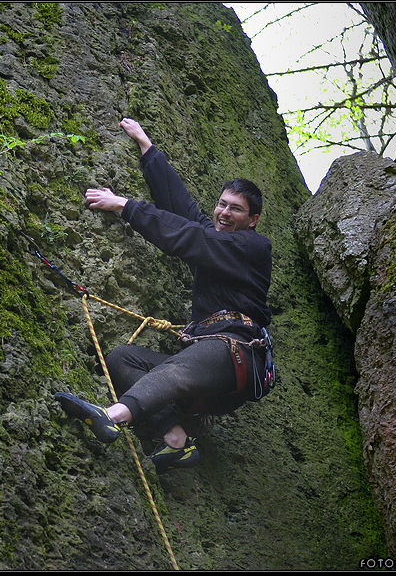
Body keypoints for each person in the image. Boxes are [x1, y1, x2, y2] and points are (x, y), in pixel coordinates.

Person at [54, 118, 272, 472]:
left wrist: (124, 205)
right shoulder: (214, 237)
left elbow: (190, 236)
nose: (224, 213)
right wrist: (147, 148)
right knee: (124, 359)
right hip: (207, 360)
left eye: (235, 209)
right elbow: (181, 208)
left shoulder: (253, 247)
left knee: (175, 370)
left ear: (253, 220)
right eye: (222, 204)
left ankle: (112, 416)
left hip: (236, 351)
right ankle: (176, 440)